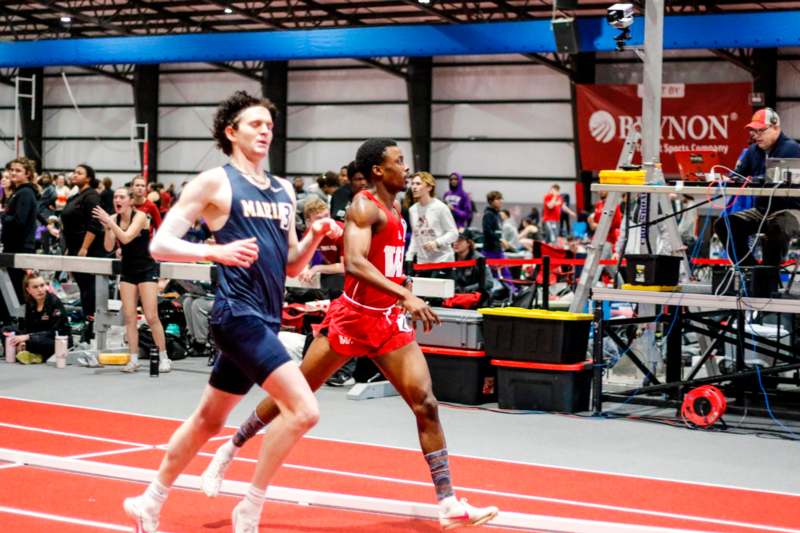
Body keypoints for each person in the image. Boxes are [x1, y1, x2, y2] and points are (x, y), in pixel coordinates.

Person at [199, 138, 499, 530]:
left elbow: (382, 260)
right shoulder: (364, 205)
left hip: (387, 321)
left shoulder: (399, 208)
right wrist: (405, 293)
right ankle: (230, 448)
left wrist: (398, 287)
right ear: (378, 170)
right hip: (353, 318)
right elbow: (355, 263)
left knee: (425, 403)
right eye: (399, 161)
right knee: (296, 395)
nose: (406, 168)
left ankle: (448, 504)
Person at [122, 90, 340, 533]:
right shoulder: (213, 183)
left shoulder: (282, 189)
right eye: (256, 124)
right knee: (304, 410)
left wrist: (315, 234)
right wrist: (214, 252)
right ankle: (251, 505)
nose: (266, 132)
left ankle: (149, 500)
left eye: (270, 126)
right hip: (235, 315)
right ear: (231, 132)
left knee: (209, 419)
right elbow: (160, 244)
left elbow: (293, 264)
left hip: (266, 315)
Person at [93, 187, 170, 373]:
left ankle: (164, 357)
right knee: (129, 317)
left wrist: (111, 223)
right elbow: (108, 246)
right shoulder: (113, 219)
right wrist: (107, 226)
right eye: (115, 197)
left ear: (130, 201)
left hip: (146, 269)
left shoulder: (140, 216)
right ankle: (133, 359)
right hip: (128, 270)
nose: (117, 200)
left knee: (151, 316)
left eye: (121, 197)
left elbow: (127, 238)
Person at [714, 107, 800, 269]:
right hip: (762, 211)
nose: (755, 135)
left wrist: (753, 179)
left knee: (777, 229)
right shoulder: (752, 151)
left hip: (791, 210)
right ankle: (750, 270)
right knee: (724, 224)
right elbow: (739, 176)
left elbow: (775, 179)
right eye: (753, 131)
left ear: (775, 128)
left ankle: (768, 278)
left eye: (760, 131)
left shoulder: (792, 149)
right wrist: (728, 179)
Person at [60, 164, 105, 341]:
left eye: (79, 173)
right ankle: (89, 327)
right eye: (74, 172)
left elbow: (94, 224)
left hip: (87, 249)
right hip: (73, 248)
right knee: (84, 289)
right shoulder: (76, 195)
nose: (74, 175)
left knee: (89, 290)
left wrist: (84, 248)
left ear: (88, 178)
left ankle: (93, 329)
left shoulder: (91, 196)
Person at [8, 272, 71, 364]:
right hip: (36, 338)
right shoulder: (30, 304)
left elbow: (56, 331)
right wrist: (22, 340)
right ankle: (30, 353)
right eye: (35, 287)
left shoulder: (54, 302)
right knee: (8, 331)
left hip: (57, 341)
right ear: (28, 290)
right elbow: (26, 327)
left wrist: (28, 337)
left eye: (42, 285)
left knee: (33, 342)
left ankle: (34, 354)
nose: (40, 290)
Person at [2, 157, 40, 303]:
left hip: (20, 247)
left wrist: (3, 216)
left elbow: (19, 221)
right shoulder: (19, 192)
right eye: (11, 170)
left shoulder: (25, 193)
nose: (13, 173)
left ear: (28, 174)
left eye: (18, 170)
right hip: (15, 245)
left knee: (18, 288)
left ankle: (20, 321)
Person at [406, 171, 458, 266]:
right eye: (412, 184)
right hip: (422, 263)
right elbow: (415, 235)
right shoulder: (412, 210)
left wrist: (436, 243)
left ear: (429, 187)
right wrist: (409, 256)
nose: (414, 187)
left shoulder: (440, 207)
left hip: (443, 260)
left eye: (418, 184)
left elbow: (453, 233)